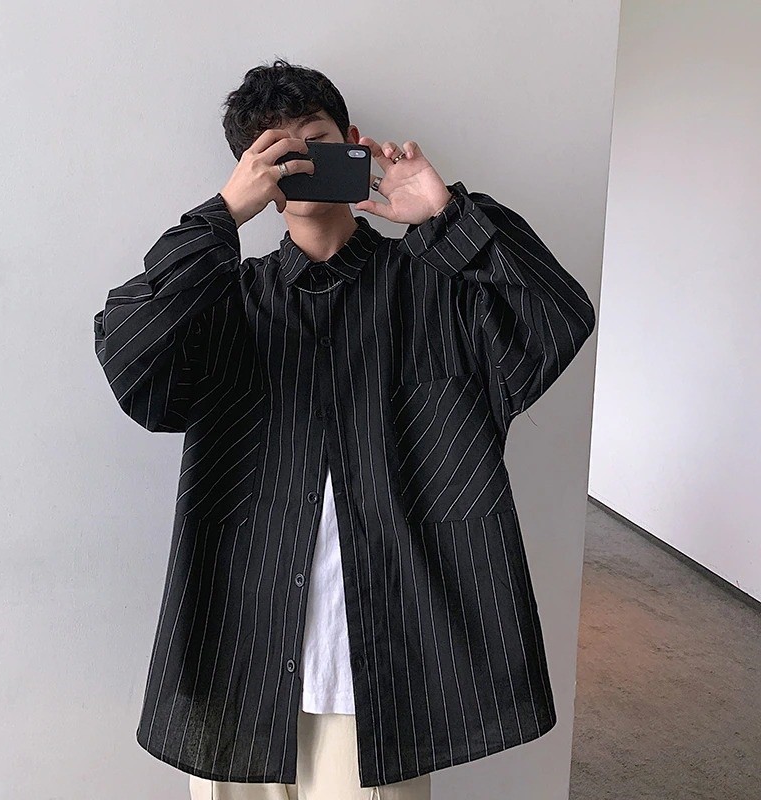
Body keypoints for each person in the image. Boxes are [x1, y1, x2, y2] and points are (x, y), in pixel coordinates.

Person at [93, 58, 596, 800]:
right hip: (237, 664)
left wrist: (445, 217)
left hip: (386, 676)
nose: (300, 160)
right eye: (277, 150)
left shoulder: (438, 291)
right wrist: (221, 216)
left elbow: (558, 317)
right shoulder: (225, 304)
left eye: (317, 140)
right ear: (254, 172)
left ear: (352, 142)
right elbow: (128, 355)